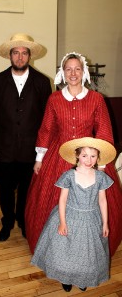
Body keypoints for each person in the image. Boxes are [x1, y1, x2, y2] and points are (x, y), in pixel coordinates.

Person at [25, 52, 122, 257]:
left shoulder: (96, 99)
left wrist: (101, 164)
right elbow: (46, 129)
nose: (73, 73)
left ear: (83, 71)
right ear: (63, 72)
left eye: (77, 68)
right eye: (68, 69)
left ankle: (87, 254)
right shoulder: (54, 99)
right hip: (59, 156)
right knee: (54, 204)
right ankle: (57, 253)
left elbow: (104, 129)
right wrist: (39, 158)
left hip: (90, 159)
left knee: (91, 207)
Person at [0, 33, 52, 241]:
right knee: (5, 191)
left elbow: (46, 120)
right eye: (16, 52)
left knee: (26, 191)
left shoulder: (42, 82)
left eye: (24, 53)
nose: (20, 57)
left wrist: (42, 152)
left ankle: (24, 222)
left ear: (30, 56)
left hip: (30, 151)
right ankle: (7, 222)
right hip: (4, 150)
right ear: (10, 55)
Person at [31, 137, 116, 292]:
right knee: (66, 251)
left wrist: (105, 223)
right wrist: (62, 222)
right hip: (69, 216)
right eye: (84, 155)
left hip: (92, 219)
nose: (89, 160)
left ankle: (83, 278)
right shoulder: (69, 175)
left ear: (98, 157)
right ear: (77, 156)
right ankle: (66, 278)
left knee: (87, 253)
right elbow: (62, 200)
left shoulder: (101, 177)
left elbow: (102, 201)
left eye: (93, 156)